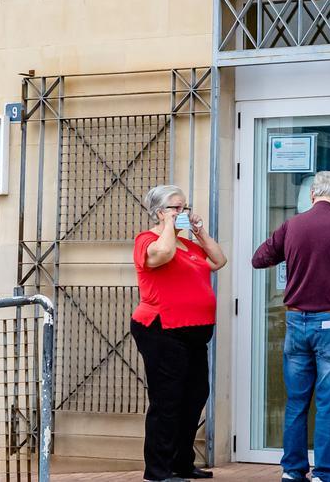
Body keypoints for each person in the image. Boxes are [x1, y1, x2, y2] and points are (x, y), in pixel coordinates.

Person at [252, 171, 330, 482]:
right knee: (328, 403)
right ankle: (324, 472)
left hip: (296, 322)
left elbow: (259, 259)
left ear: (312, 194)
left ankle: (293, 471)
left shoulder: (292, 225)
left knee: (296, 402)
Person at [132, 185, 227, 482]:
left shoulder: (191, 246)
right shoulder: (148, 240)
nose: (183, 212)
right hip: (162, 330)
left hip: (194, 333)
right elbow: (162, 254)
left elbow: (218, 260)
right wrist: (169, 226)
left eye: (185, 207)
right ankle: (158, 471)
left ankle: (182, 462)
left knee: (196, 395)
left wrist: (199, 232)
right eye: (176, 207)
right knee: (168, 400)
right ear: (160, 211)